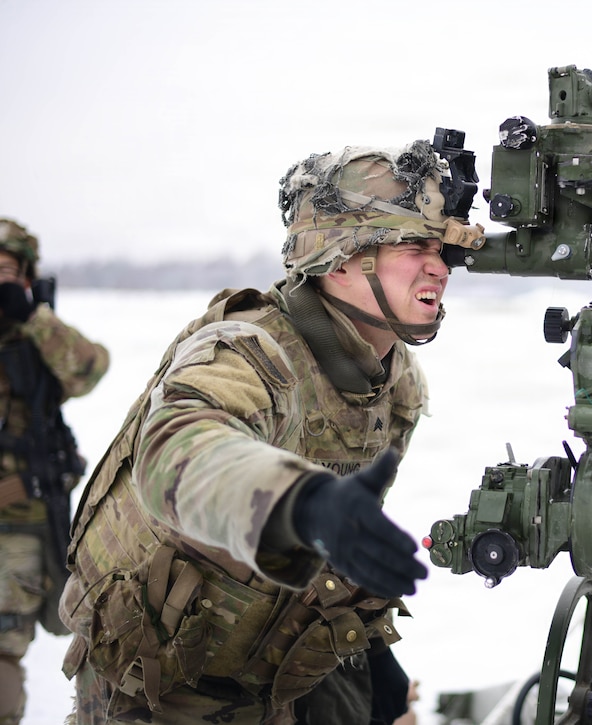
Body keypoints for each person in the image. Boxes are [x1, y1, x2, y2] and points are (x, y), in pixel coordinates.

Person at [59, 140, 485, 724]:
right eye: (412, 245)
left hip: (272, 669)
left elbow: (342, 528)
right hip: (156, 685)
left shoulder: (396, 380)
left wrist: (370, 653)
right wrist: (300, 502)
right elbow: (177, 452)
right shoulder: (248, 352)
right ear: (339, 260)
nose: (438, 267)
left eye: (441, 249)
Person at [0, 218, 110, 724]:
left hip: (31, 523)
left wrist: (34, 318)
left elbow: (88, 369)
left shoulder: (36, 334)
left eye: (10, 272)